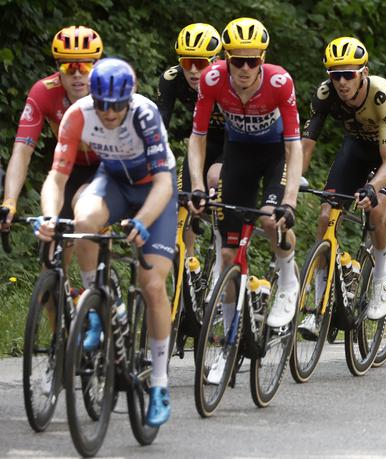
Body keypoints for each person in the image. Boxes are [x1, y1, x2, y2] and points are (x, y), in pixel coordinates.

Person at [37, 58, 177, 427]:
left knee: (151, 284)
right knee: (82, 221)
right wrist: (51, 216)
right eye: (102, 103)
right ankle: (95, 302)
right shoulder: (79, 114)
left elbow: (164, 183)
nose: (110, 112)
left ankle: (160, 384)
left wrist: (143, 221)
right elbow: (57, 177)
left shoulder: (145, 115)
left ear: (129, 100)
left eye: (117, 105)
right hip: (113, 181)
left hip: (153, 191)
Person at [187, 17, 303, 330]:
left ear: (262, 60)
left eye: (252, 61)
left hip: (274, 154)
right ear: (226, 59)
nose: (245, 68)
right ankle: (230, 337)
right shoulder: (212, 79)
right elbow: (197, 138)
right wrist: (198, 186)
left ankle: (289, 281)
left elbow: (294, 146)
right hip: (237, 154)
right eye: (238, 60)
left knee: (269, 218)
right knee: (227, 255)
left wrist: (289, 200)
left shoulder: (279, 82)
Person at [298, 36, 386, 337]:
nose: (342, 81)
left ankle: (381, 273)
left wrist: (373, 187)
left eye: (348, 74)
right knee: (326, 215)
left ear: (363, 72)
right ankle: (319, 302)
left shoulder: (383, 96)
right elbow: (306, 146)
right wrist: (290, 181)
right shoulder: (324, 95)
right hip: (356, 147)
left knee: (376, 208)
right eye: (335, 75)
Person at [1, 26, 102, 278]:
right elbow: (22, 151)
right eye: (69, 67)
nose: (77, 75)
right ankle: (61, 305)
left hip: (106, 167)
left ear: (97, 66)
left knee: (83, 207)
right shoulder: (43, 93)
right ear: (58, 68)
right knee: (50, 259)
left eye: (85, 67)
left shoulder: (110, 89)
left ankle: (98, 289)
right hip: (69, 169)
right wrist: (10, 201)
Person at [157, 22, 225, 206]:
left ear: (216, 60)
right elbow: (161, 122)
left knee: (214, 178)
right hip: (202, 139)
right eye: (187, 62)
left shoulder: (231, 79)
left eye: (200, 63)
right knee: (183, 199)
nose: (193, 70)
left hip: (234, 142)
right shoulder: (171, 79)